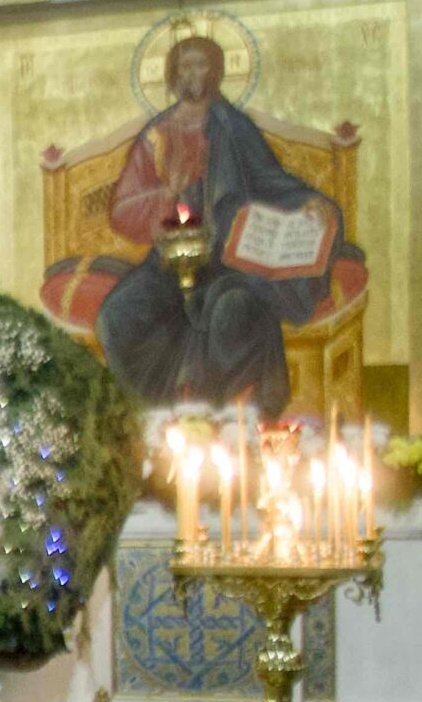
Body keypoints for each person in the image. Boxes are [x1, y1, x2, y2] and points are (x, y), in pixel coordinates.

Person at [93, 34, 360, 416]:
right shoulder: (156, 135)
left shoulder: (234, 128)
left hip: (229, 263)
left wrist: (310, 202)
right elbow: (122, 210)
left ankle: (221, 421)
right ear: (173, 74)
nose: (193, 73)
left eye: (201, 64)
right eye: (185, 66)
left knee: (231, 311)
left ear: (216, 71)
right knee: (115, 316)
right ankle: (147, 420)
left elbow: (270, 181)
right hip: (169, 263)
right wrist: (166, 194)